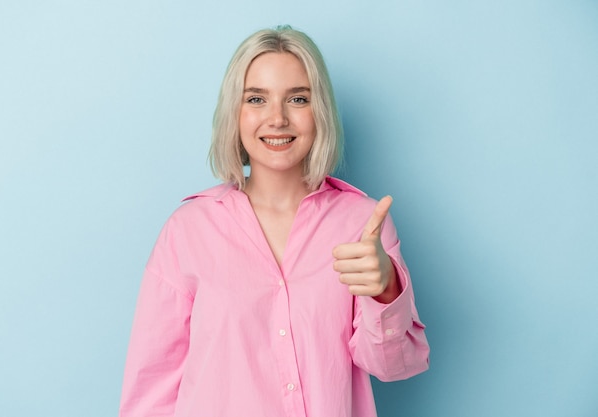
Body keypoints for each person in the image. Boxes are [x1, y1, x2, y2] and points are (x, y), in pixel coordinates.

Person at [119, 25, 429, 417]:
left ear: (320, 112)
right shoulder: (187, 231)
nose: (277, 118)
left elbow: (395, 367)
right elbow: (151, 392)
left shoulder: (363, 224)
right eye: (257, 99)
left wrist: (386, 288)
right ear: (236, 113)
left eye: (298, 98)